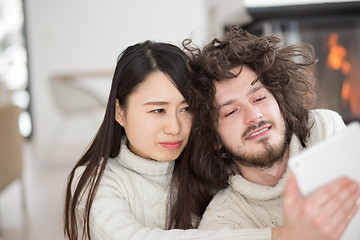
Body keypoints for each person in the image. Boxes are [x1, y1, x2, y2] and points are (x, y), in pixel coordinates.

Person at [64, 40, 275, 240]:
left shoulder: (204, 165)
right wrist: (277, 235)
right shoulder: (96, 180)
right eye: (158, 110)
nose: (175, 128)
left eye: (186, 109)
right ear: (119, 112)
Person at [173, 25, 360, 239]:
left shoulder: (325, 131)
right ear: (214, 138)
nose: (254, 116)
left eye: (259, 98)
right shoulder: (222, 223)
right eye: (231, 111)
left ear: (280, 102)